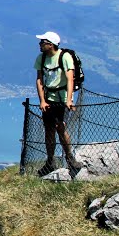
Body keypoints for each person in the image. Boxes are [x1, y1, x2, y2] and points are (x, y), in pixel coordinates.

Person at [34, 31, 84, 176]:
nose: (40, 45)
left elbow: (70, 79)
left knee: (60, 127)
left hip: (62, 98)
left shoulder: (65, 57)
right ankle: (50, 162)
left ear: (50, 44)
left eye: (42, 42)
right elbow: (39, 79)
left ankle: (70, 158)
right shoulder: (41, 58)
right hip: (49, 98)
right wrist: (42, 100)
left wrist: (69, 100)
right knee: (48, 129)